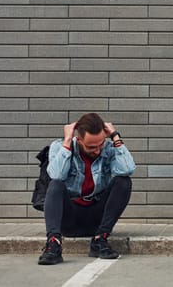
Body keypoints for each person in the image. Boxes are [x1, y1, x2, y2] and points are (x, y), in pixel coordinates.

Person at [38, 113, 136, 265]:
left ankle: (99, 240)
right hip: (69, 220)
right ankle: (53, 244)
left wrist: (115, 136)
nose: (97, 150)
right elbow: (56, 175)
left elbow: (128, 169)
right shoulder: (59, 146)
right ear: (79, 139)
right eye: (91, 147)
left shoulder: (109, 149)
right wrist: (67, 141)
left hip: (96, 219)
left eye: (100, 144)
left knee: (123, 182)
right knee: (55, 185)